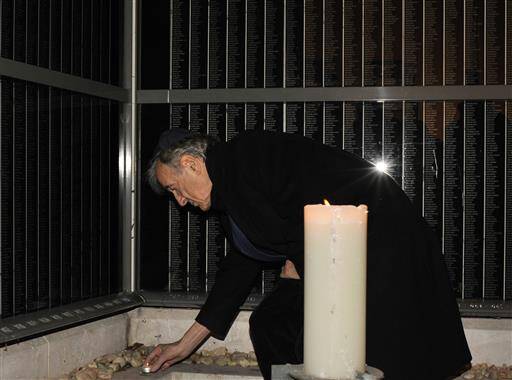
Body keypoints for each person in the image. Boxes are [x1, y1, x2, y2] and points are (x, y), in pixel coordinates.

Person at [144, 128, 471, 380]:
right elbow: (240, 268)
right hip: (341, 256)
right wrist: (185, 345)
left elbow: (305, 203)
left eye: (174, 188)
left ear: (191, 164)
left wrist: (296, 267)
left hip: (378, 242)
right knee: (272, 325)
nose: (180, 201)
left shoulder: (244, 157)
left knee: (377, 353)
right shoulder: (232, 191)